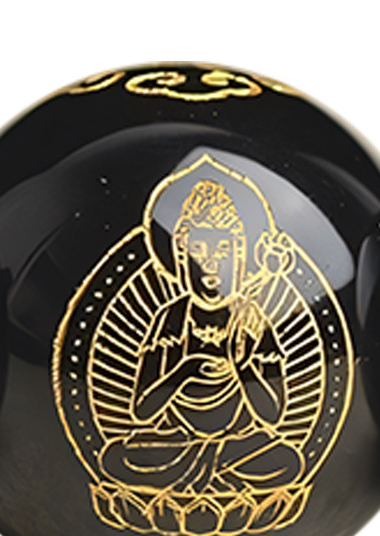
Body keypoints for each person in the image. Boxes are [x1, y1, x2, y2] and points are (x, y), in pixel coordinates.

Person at [98, 179, 304, 494]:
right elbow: (141, 411)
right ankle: (214, 472)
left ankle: (202, 472)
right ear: (180, 259)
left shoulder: (251, 319)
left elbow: (273, 416)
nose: (210, 264)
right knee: (116, 458)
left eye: (222, 252)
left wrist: (243, 366)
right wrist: (186, 369)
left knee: (288, 459)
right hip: (176, 441)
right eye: (198, 251)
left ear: (239, 258)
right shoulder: (171, 318)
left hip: (240, 444)